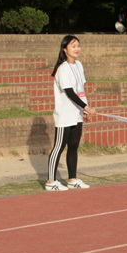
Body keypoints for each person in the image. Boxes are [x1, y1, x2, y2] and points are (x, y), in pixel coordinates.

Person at [46, 35, 97, 191]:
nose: (77, 49)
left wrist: (84, 109)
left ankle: (72, 179)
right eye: (73, 46)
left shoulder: (79, 65)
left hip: (77, 114)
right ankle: (50, 181)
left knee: (73, 146)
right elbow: (69, 93)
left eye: (78, 46)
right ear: (65, 49)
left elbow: (80, 91)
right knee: (59, 146)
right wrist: (87, 108)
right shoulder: (62, 68)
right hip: (65, 114)